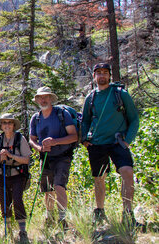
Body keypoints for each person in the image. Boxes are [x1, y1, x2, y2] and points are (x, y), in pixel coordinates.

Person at [81, 62, 140, 226]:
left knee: (127, 172)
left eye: (105, 72)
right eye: (98, 73)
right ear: (94, 76)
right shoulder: (91, 98)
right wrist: (85, 139)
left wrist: (128, 140)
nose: (102, 76)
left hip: (117, 141)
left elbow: (134, 118)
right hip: (97, 143)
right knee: (99, 178)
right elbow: (85, 120)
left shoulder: (120, 94)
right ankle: (99, 212)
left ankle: (128, 215)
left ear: (109, 75)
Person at [29, 87, 78, 229]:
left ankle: (62, 219)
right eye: (40, 98)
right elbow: (32, 139)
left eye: (46, 97)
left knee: (59, 186)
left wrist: (55, 141)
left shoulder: (62, 114)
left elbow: (73, 136)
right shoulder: (36, 118)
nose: (43, 100)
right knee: (47, 189)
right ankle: (49, 217)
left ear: (51, 98)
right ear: (37, 100)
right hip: (45, 157)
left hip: (63, 156)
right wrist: (39, 148)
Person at [0, 113, 32, 240]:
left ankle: (22, 230)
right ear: (1, 125)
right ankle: (8, 230)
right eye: (4, 123)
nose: (7, 125)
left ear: (14, 125)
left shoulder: (20, 139)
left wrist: (11, 156)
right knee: (4, 201)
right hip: (2, 175)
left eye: (9, 123)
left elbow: (26, 160)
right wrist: (0, 159)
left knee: (17, 200)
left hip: (17, 175)